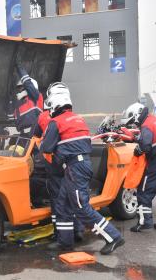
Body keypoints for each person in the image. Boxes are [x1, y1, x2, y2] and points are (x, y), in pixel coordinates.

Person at [41, 83, 124, 254]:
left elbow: (46, 148)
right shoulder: (78, 119)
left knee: (81, 208)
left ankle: (114, 236)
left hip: (74, 168)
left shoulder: (55, 122)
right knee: (63, 204)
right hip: (79, 165)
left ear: (55, 102)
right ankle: (65, 243)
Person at [35, 103, 84, 248]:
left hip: (53, 162)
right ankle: (79, 229)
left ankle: (60, 234)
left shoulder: (43, 117)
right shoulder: (72, 117)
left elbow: (36, 137)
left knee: (58, 200)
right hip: (69, 161)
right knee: (74, 197)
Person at [123, 103, 156, 232]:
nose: (134, 124)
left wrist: (138, 150)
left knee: (144, 191)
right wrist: (138, 139)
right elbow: (154, 138)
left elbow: (146, 146)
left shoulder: (146, 124)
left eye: (133, 121)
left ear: (136, 115)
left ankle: (144, 222)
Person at [13, 61, 43, 135]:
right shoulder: (19, 104)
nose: (19, 90)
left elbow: (27, 83)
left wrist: (19, 68)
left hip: (35, 133)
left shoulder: (36, 96)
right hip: (23, 135)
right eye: (19, 88)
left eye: (21, 87)